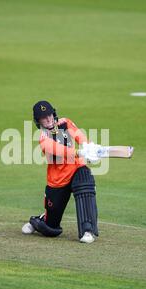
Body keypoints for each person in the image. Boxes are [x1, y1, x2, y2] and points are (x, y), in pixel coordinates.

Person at [21, 100, 102, 243]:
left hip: (77, 169)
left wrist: (89, 147)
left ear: (54, 113)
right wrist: (80, 152)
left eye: (50, 115)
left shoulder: (65, 123)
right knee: (51, 229)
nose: (48, 119)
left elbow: (79, 135)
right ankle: (39, 221)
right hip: (58, 181)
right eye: (43, 118)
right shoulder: (43, 138)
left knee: (85, 184)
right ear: (38, 121)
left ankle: (87, 230)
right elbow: (60, 150)